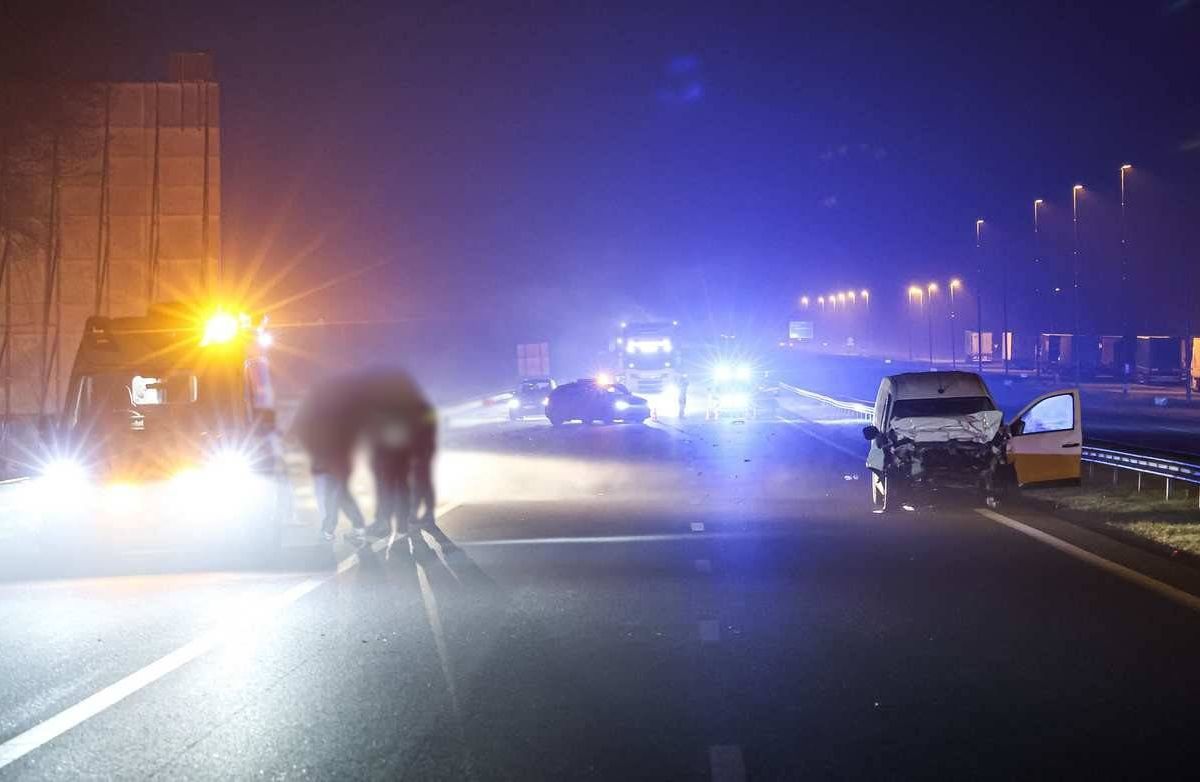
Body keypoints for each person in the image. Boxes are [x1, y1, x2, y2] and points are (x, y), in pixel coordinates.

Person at [293, 378, 368, 542]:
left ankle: (329, 530)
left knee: (333, 497)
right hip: (338, 462)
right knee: (341, 495)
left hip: (335, 463)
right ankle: (357, 528)